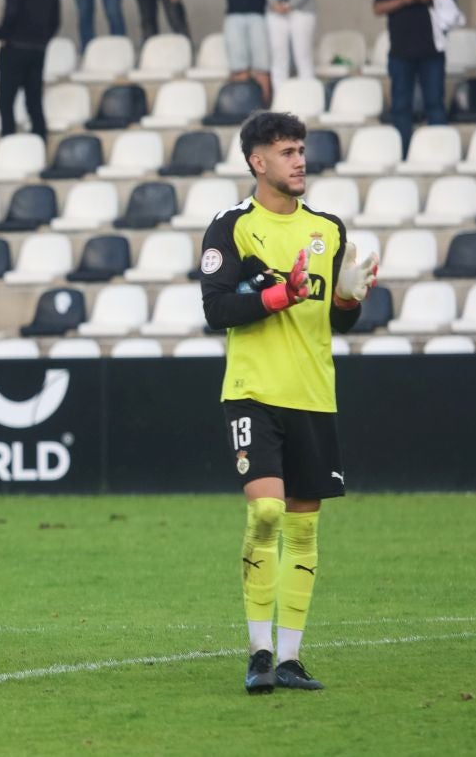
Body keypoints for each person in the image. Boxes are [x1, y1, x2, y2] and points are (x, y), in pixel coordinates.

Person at [199, 110, 378, 694]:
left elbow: (336, 322)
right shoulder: (232, 227)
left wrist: (350, 301)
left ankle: (292, 659)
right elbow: (218, 309)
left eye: (301, 149)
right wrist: (281, 292)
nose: (300, 160)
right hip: (253, 393)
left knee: (304, 528)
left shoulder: (328, 228)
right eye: (287, 151)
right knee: (267, 513)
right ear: (257, 161)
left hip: (313, 394)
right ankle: (258, 651)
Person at [373, 0, 451, 154]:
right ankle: (403, 152)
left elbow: (452, 10)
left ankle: (440, 151)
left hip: (432, 53)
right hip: (401, 52)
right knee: (400, 106)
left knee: (435, 104)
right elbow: (378, 8)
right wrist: (402, 0)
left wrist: (430, 0)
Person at [0, 0, 59, 139]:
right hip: (38, 50)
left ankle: (9, 145)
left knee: (6, 102)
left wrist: (2, 34)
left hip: (15, 48)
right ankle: (39, 145)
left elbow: (11, 13)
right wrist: (42, 41)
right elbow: (55, 21)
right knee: (34, 103)